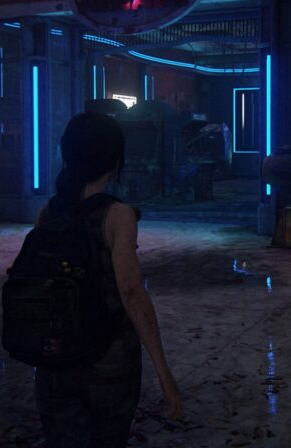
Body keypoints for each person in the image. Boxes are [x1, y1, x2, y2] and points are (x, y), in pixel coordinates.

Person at [34, 111, 182, 447]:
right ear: (114, 161)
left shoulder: (48, 212)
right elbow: (131, 292)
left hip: (55, 360)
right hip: (108, 364)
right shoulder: (117, 215)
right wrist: (164, 372)